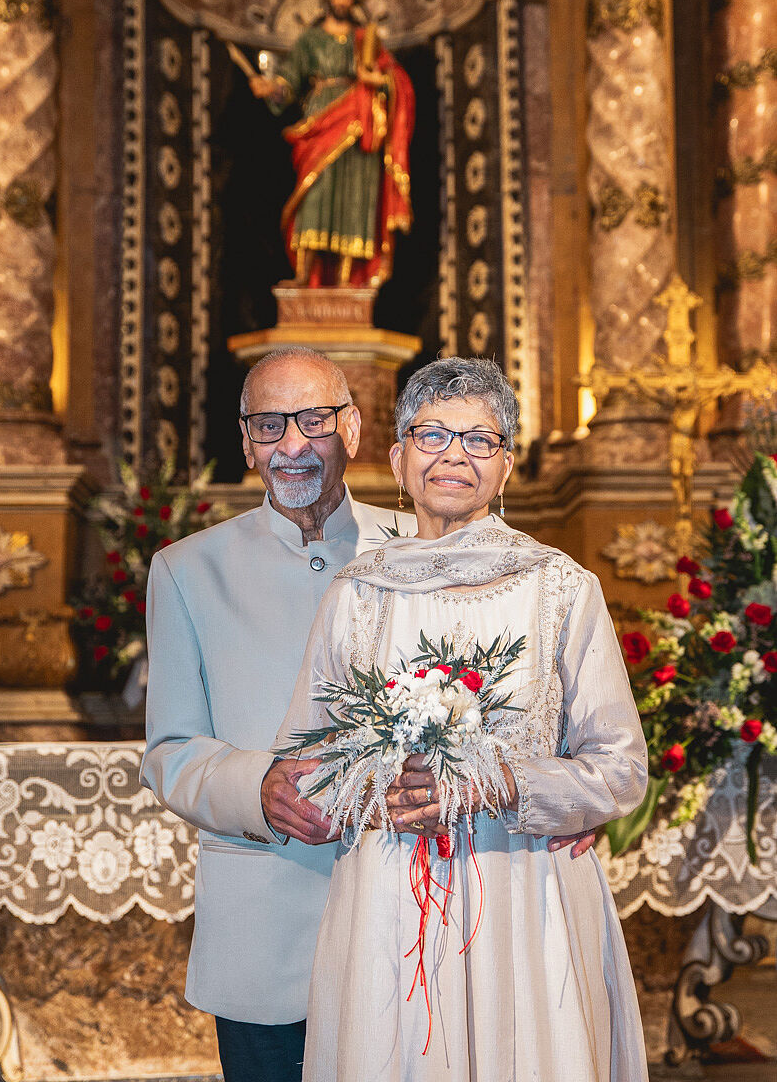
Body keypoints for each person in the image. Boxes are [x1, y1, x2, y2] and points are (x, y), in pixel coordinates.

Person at [141, 347, 595, 1082]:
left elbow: (535, 702)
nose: (292, 444)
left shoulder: (432, 538)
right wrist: (255, 788)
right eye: (268, 424)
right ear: (246, 440)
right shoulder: (187, 569)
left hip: (418, 922)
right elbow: (169, 749)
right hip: (268, 921)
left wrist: (562, 796)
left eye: (314, 419)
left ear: (353, 430)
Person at [273, 356, 649, 1081]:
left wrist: (499, 783)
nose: (453, 455)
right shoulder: (357, 593)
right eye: (432, 434)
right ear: (397, 456)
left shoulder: (561, 588)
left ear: (507, 466)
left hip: (524, 890)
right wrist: (367, 789)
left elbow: (620, 770)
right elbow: (303, 764)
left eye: (480, 440)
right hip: (387, 894)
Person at [247, 0, 414, 289]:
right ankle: (303, 274)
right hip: (322, 115)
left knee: (355, 196)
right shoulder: (311, 39)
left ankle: (345, 281)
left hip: (359, 119)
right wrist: (272, 89)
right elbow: (290, 79)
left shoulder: (364, 39)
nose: (343, 1)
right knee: (315, 193)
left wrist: (378, 80)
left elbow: (394, 78)